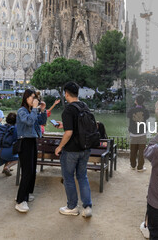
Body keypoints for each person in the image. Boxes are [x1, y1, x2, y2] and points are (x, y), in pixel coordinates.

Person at [55, 82, 93, 218]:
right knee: (82, 176)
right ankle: (87, 207)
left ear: (66, 93)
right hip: (85, 148)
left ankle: (72, 207)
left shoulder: (68, 110)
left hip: (71, 150)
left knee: (69, 177)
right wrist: (64, 125)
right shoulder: (85, 106)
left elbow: (69, 133)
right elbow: (80, 125)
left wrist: (59, 147)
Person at [14, 89, 47, 213]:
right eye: (32, 97)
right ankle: (20, 200)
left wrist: (42, 110)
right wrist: (34, 108)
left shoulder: (31, 111)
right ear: (26, 98)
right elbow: (29, 121)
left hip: (32, 141)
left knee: (32, 170)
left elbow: (41, 122)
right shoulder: (21, 111)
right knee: (27, 171)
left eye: (35, 97)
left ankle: (26, 194)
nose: (34, 99)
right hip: (24, 142)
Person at [127, 95, 150, 172]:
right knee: (141, 152)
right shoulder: (145, 111)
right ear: (143, 102)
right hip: (142, 134)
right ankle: (140, 167)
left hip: (133, 134)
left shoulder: (131, 110)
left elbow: (128, 115)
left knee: (133, 151)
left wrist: (135, 105)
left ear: (136, 101)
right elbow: (147, 117)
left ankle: (133, 165)